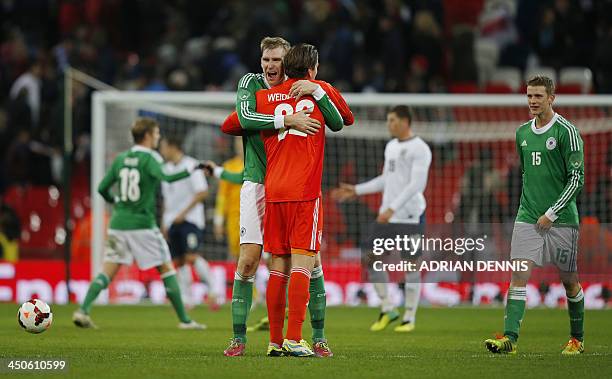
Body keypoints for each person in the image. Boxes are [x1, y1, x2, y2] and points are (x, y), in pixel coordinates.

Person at [210, 37, 353, 358]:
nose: (270, 66)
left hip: (280, 186)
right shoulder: (253, 85)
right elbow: (238, 120)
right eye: (266, 60)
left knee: (305, 262)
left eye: (277, 60)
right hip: (261, 184)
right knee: (251, 260)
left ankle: (317, 337)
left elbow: (235, 123)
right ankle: (244, 338)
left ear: (288, 64)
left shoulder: (286, 92)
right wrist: (286, 119)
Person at [256, 43, 347, 357]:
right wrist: (319, 90)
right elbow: (343, 120)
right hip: (304, 191)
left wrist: (275, 120)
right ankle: (296, 338)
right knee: (304, 263)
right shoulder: (318, 90)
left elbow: (231, 123)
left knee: (278, 266)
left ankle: (274, 341)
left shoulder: (264, 97)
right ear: (314, 68)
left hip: (274, 192)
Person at [484, 75, 585, 355]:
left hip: (561, 219)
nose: (532, 101)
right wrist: (532, 212)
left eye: (539, 96)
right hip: (528, 215)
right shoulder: (522, 133)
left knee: (570, 281)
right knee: (518, 275)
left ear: (551, 98)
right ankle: (510, 339)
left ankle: (577, 339)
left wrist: (551, 213)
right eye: (529, 96)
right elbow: (528, 175)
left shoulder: (567, 132)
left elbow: (576, 180)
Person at [73, 118, 203, 330]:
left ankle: (83, 310)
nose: (158, 138)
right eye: (157, 134)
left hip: (118, 223)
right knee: (167, 269)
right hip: (142, 224)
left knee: (107, 270)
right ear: (148, 136)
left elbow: (102, 189)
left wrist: (116, 202)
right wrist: (192, 169)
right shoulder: (151, 158)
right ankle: (185, 320)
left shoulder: (121, 158)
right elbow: (167, 178)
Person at [333, 105, 432, 333]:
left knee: (410, 266)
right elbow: (386, 179)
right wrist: (356, 190)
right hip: (388, 215)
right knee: (370, 258)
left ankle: (409, 317)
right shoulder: (391, 147)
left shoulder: (420, 148)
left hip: (410, 216)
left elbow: (417, 185)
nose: (389, 125)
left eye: (392, 120)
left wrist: (393, 208)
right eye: (388, 120)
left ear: (405, 122)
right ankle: (388, 308)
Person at [159, 136, 216, 309]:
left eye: (163, 147)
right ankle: (186, 297)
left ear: (173, 146)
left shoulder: (192, 165)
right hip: (172, 222)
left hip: (190, 220)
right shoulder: (165, 169)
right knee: (179, 260)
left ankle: (214, 291)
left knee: (191, 256)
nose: (162, 151)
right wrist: (164, 222)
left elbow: (202, 192)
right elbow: (167, 200)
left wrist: (183, 214)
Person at [213, 137, 244, 259]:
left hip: (257, 215)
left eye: (241, 141)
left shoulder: (259, 163)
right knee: (236, 255)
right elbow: (222, 196)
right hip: (234, 217)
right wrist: (218, 221)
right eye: (237, 141)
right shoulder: (229, 166)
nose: (239, 145)